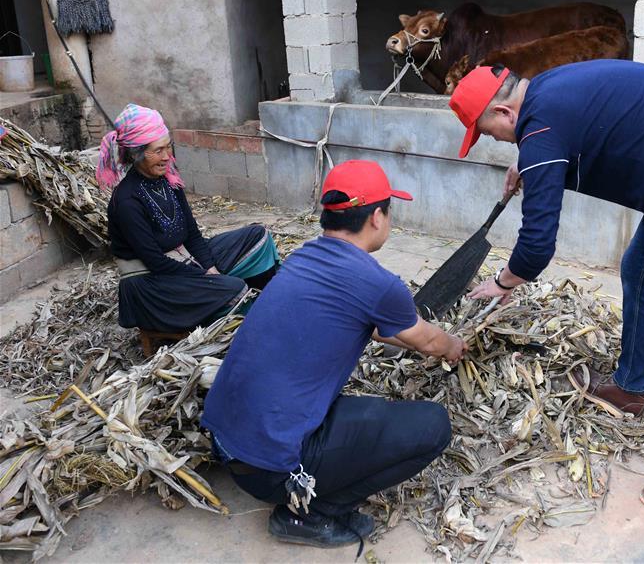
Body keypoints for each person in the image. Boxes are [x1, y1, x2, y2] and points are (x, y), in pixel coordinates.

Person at [449, 61, 644, 516]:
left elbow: (538, 243)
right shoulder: (546, 93)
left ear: (504, 111)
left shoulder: (540, 128)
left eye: (490, 133)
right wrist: (530, 160)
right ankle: (632, 386)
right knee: (639, 271)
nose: (499, 141)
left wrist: (505, 281)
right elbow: (560, 129)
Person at [201, 159, 467, 551]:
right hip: (272, 469)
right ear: (377, 217)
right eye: (390, 210)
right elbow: (431, 343)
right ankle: (307, 512)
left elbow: (377, 328)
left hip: (227, 444)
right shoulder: (377, 282)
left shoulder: (303, 259)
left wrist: (407, 333)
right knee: (433, 425)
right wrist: (454, 345)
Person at [98, 104, 279, 334]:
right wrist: (204, 275)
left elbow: (192, 234)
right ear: (137, 154)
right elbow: (155, 262)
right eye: (158, 151)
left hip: (185, 261)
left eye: (168, 147)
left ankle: (268, 302)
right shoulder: (126, 200)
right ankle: (249, 317)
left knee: (258, 236)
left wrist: (210, 267)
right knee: (234, 288)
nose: (167, 157)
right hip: (153, 284)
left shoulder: (168, 180)